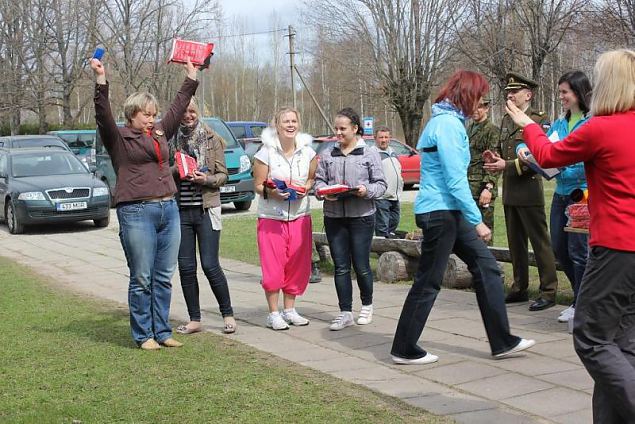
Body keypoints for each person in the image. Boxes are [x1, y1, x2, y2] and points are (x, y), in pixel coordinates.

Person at [505, 48, 635, 424]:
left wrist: (526, 122)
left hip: (615, 248)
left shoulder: (600, 128)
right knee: (622, 344)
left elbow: (545, 154)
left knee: (591, 338)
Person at [390, 70, 534, 365]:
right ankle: (404, 348)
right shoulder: (447, 126)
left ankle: (502, 341)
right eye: (479, 96)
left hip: (446, 212)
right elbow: (455, 180)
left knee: (487, 269)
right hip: (441, 213)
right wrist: (477, 219)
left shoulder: (447, 122)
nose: (481, 102)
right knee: (429, 281)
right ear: (467, 95)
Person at [91, 57, 198, 350]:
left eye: (153, 114)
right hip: (136, 212)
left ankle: (162, 331)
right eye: (146, 115)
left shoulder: (161, 133)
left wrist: (191, 78)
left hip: (168, 209)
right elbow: (102, 114)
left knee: (163, 276)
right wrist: (101, 80)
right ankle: (143, 335)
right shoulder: (118, 138)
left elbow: (178, 106)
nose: (152, 119)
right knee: (142, 277)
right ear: (132, 115)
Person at [517, 71, 591, 324]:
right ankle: (579, 296)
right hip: (560, 195)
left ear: (579, 93)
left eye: (564, 93)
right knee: (560, 248)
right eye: (559, 92)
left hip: (581, 196)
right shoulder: (560, 123)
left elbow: (585, 162)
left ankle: (581, 302)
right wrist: (526, 152)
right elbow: (545, 148)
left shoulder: (591, 123)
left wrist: (563, 166)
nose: (561, 97)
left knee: (579, 251)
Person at [483, 72, 559, 311]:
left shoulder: (538, 119)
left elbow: (538, 156)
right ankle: (519, 287)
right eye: (507, 92)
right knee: (516, 243)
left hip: (529, 189)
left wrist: (506, 165)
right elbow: (503, 150)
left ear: (528, 94)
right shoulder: (507, 120)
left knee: (540, 243)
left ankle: (548, 291)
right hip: (511, 190)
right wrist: (494, 157)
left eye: (514, 92)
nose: (510, 95)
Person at [314, 108, 387, 331]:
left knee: (361, 264)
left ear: (355, 129)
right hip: (334, 217)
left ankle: (367, 305)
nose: (338, 133)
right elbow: (318, 183)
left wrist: (367, 190)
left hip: (362, 217)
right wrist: (325, 191)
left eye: (342, 129)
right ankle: (345, 312)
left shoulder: (370, 153)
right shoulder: (328, 154)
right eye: (336, 128)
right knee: (341, 266)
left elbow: (381, 185)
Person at [169, 99, 237, 335]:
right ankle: (194, 319)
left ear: (198, 112)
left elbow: (223, 176)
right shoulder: (171, 139)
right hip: (181, 211)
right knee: (186, 267)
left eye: (192, 111)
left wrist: (204, 179)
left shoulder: (212, 139)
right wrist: (177, 171)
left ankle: (228, 314)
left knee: (210, 264)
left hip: (207, 209)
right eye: (184, 112)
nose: (188, 116)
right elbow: (163, 174)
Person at [253, 107, 317, 331]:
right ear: (277, 125)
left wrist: (305, 188)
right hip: (272, 218)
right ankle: (273, 313)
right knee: (273, 267)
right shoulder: (265, 152)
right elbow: (258, 185)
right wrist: (273, 193)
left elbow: (311, 179)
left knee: (297, 266)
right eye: (285, 122)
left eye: (293, 121)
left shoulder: (307, 152)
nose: (290, 125)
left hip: (299, 216)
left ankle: (290, 310)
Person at [466, 97, 500, 245]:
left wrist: (488, 187)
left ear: (487, 108)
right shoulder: (469, 129)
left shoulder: (492, 130)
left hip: (482, 189)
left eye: (480, 107)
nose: (475, 110)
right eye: (473, 107)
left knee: (484, 235)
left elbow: (494, 161)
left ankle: (488, 266)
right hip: (468, 187)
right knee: (468, 233)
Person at [373, 126, 404, 238]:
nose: (384, 140)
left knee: (394, 221)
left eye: (386, 137)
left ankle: (388, 241)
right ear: (375, 138)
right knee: (382, 225)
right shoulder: (372, 154)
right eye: (381, 137)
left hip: (395, 196)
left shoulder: (392, 152)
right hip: (382, 197)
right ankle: (381, 249)